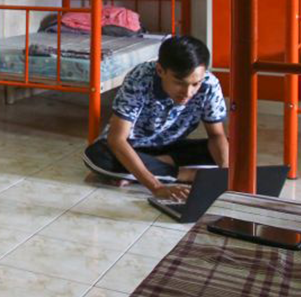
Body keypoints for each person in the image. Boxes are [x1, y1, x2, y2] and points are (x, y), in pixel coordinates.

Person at [82, 36, 229, 201]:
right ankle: (185, 174)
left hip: (171, 147)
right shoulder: (140, 79)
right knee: (97, 156)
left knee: (232, 148)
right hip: (133, 147)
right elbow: (117, 140)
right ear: (160, 70)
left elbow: (216, 135)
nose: (188, 93)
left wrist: (225, 175)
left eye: (195, 84)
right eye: (179, 82)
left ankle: (145, 169)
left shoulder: (210, 84)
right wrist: (156, 187)